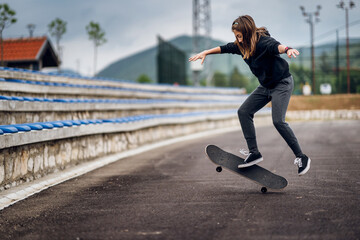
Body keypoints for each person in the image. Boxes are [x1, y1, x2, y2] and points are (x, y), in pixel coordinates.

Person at [189, 15, 311, 176]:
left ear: (247, 32)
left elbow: (277, 46)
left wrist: (288, 49)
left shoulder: (263, 42)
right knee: (244, 112)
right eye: (235, 36)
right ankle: (254, 153)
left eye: (239, 36)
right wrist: (206, 52)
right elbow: (224, 48)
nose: (237, 40)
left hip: (282, 83)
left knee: (278, 121)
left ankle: (301, 157)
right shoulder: (241, 46)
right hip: (266, 86)